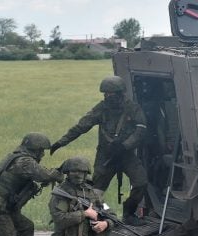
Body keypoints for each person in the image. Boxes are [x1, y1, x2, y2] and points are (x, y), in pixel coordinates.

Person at [49, 75, 148, 226]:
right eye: (105, 94)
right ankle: (100, 218)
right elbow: (81, 126)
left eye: (111, 94)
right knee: (96, 192)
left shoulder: (132, 108)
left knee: (141, 182)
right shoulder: (101, 109)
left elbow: (141, 129)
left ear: (120, 93)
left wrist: (125, 145)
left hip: (126, 155)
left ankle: (129, 213)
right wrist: (61, 142)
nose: (107, 97)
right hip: (106, 156)